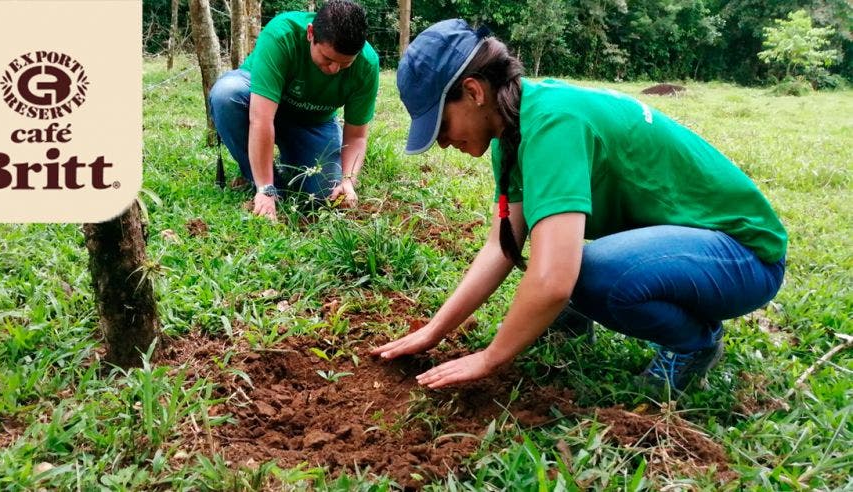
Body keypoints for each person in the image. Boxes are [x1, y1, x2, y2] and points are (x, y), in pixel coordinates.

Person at [372, 19, 788, 395]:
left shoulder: (554, 123)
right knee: (568, 265)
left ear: (474, 91)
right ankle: (573, 319)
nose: (442, 142)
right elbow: (503, 245)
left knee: (581, 272)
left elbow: (554, 279)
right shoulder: (514, 129)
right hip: (696, 250)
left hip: (745, 257)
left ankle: (694, 344)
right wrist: (434, 331)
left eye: (441, 126)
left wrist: (490, 357)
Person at [208, 0, 380, 220]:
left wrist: (348, 180)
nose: (334, 69)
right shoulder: (282, 35)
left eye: (345, 63)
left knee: (324, 194)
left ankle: (290, 162)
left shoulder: (367, 64)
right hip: (260, 105)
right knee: (226, 94)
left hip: (313, 122)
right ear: (311, 34)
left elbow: (356, 136)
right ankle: (265, 181)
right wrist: (265, 189)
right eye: (327, 59)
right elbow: (261, 118)